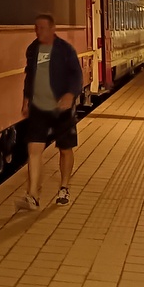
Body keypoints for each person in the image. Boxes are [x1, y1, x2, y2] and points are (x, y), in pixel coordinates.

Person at [18, 13, 83, 210]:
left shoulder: (65, 50)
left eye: (43, 28)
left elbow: (76, 74)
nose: (38, 31)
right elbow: (29, 76)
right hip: (39, 107)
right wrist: (26, 100)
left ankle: (64, 187)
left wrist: (70, 95)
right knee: (34, 151)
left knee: (65, 148)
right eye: (36, 28)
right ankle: (33, 195)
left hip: (61, 108)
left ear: (53, 29)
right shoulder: (33, 49)